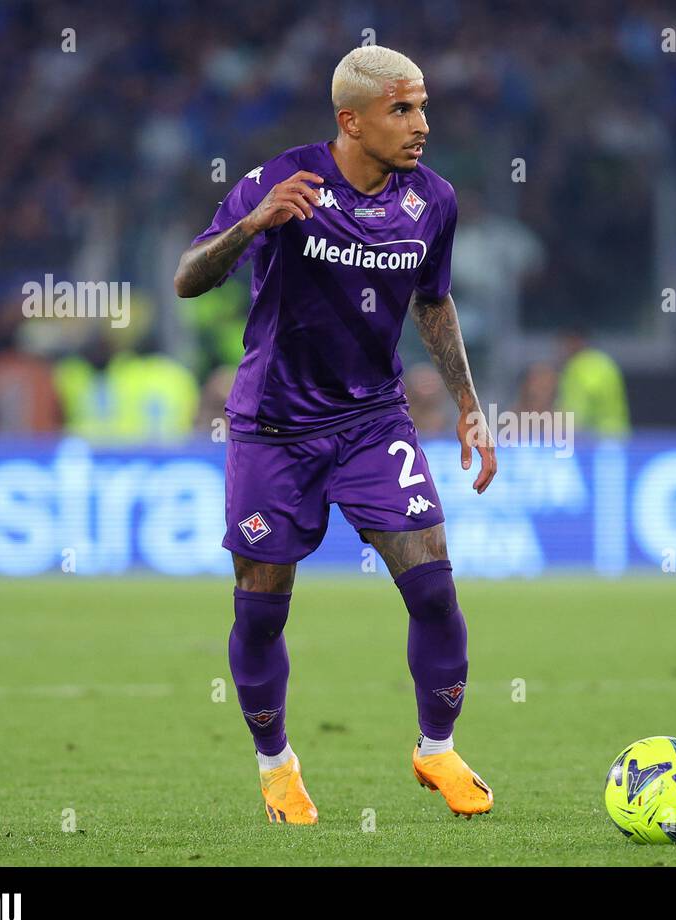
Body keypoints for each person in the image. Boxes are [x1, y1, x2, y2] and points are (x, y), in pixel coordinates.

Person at [173, 45, 497, 825]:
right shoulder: (285, 180)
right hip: (272, 427)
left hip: (369, 421)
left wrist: (467, 401)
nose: (422, 125)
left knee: (433, 586)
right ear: (351, 120)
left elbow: (433, 301)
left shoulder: (434, 202)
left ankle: (436, 748)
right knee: (261, 610)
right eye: (403, 109)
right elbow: (188, 277)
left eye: (422, 106)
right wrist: (253, 222)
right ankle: (277, 765)